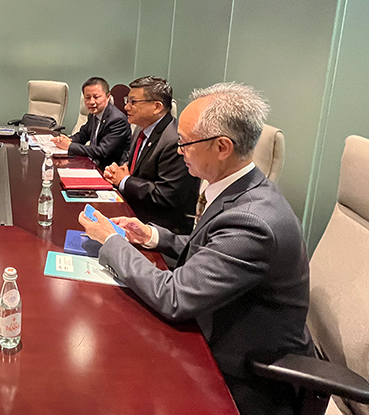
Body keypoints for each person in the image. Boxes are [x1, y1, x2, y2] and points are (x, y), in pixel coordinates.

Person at [78, 83, 312, 415]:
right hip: (211, 326)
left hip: (242, 375)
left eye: (185, 142)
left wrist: (110, 240)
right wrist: (152, 236)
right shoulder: (241, 189)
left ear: (222, 147)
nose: (179, 150)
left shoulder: (252, 221)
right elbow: (209, 249)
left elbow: (174, 297)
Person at [103, 76, 199, 234]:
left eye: (133, 102)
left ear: (157, 107)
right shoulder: (140, 128)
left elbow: (165, 196)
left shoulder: (175, 141)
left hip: (161, 228)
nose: (126, 107)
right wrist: (118, 172)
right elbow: (135, 169)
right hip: (135, 210)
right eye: (127, 100)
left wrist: (124, 181)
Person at [51, 77, 131, 169]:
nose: (91, 102)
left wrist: (70, 146)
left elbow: (102, 152)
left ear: (108, 97)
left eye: (96, 97)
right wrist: (66, 140)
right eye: (87, 97)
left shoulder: (117, 120)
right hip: (92, 163)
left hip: (108, 169)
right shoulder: (93, 115)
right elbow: (83, 135)